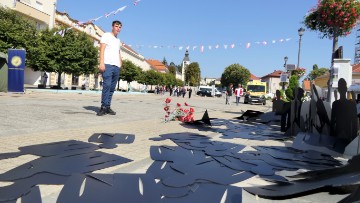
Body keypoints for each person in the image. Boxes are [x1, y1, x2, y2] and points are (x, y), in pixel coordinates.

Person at [97, 20, 123, 116]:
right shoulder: (106, 35)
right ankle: (103, 107)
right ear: (112, 26)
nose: (118, 28)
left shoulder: (118, 40)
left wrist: (120, 62)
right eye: (116, 26)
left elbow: (118, 52)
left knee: (112, 88)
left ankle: (108, 106)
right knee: (107, 86)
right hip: (107, 64)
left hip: (116, 66)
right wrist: (101, 63)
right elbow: (102, 49)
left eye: (120, 27)